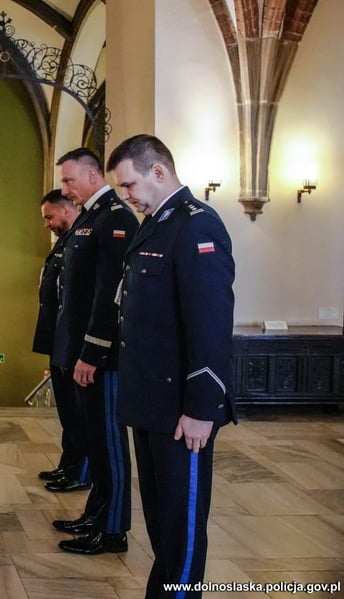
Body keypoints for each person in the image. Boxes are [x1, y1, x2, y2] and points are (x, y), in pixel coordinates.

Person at [107, 134, 236, 597]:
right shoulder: (155, 224)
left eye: (129, 185)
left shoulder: (196, 225)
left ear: (158, 171)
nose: (126, 196)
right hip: (150, 403)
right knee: (162, 521)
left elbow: (210, 324)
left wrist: (202, 408)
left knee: (181, 528)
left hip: (183, 410)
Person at [51, 148, 137, 555]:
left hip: (100, 357)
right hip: (79, 350)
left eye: (70, 181)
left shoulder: (116, 218)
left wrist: (91, 352)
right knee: (94, 441)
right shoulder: (89, 216)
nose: (65, 189)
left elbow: (109, 296)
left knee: (108, 444)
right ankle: (95, 514)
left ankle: (114, 528)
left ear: (91, 175)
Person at [33, 189, 91, 493]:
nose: (46, 224)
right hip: (58, 338)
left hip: (72, 341)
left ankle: (80, 472)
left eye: (49, 216)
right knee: (67, 412)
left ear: (66, 211)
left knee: (78, 413)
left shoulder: (79, 242)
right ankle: (68, 465)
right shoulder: (65, 244)